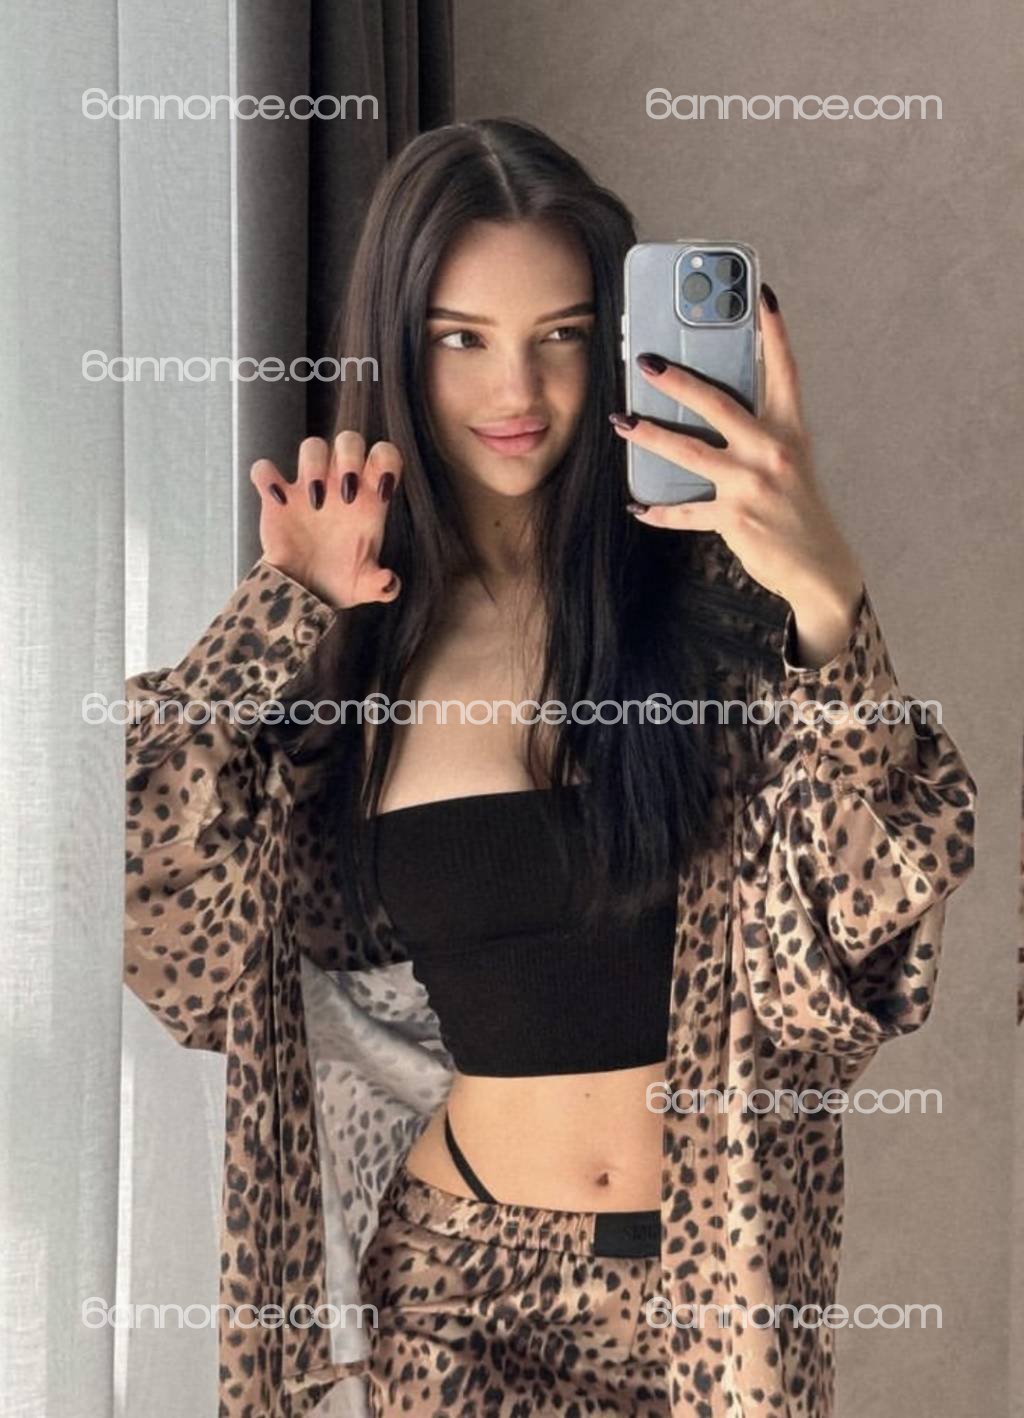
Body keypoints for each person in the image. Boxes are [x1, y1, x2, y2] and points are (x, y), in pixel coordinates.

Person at [124, 118, 977, 1418]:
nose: (515, 391)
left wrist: (827, 595)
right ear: (400, 350)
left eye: (562, 335)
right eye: (461, 339)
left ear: (614, 343)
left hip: (719, 1291)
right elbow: (166, 927)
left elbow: (868, 944)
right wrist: (282, 609)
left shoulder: (724, 608)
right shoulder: (358, 653)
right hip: (456, 1291)